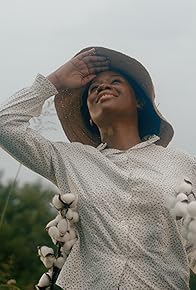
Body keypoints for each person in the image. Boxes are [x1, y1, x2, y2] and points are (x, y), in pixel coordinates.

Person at [0, 46, 195, 290]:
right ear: (90, 116)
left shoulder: (181, 163)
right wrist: (56, 80)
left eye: (116, 81)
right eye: (93, 88)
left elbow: (193, 241)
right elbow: (4, 124)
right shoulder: (70, 159)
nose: (103, 87)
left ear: (140, 102)